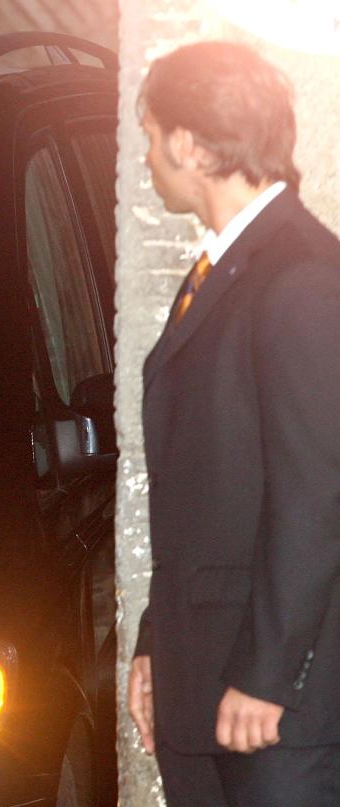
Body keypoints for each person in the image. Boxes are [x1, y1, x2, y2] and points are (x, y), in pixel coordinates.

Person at [128, 41, 340, 805]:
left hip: (272, 710)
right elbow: (202, 493)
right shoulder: (225, 266)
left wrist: (266, 674)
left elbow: (316, 500)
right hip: (207, 681)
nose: (147, 155)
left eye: (150, 132)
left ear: (189, 142)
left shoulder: (302, 278)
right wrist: (160, 643)